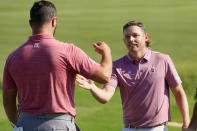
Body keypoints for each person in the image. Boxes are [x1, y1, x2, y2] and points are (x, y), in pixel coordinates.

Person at [2, 1, 112, 131]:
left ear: (30, 24)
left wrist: (19, 124)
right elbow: (104, 76)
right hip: (59, 124)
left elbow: (8, 100)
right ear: (54, 21)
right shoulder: (68, 51)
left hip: (25, 123)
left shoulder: (13, 57)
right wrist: (106, 53)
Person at [76, 20, 190, 131]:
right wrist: (92, 87)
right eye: (127, 37)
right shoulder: (117, 66)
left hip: (157, 128)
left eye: (135, 35)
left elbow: (178, 92)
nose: (131, 39)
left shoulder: (162, 60)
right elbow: (105, 96)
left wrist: (186, 121)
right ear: (124, 40)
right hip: (130, 128)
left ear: (146, 37)